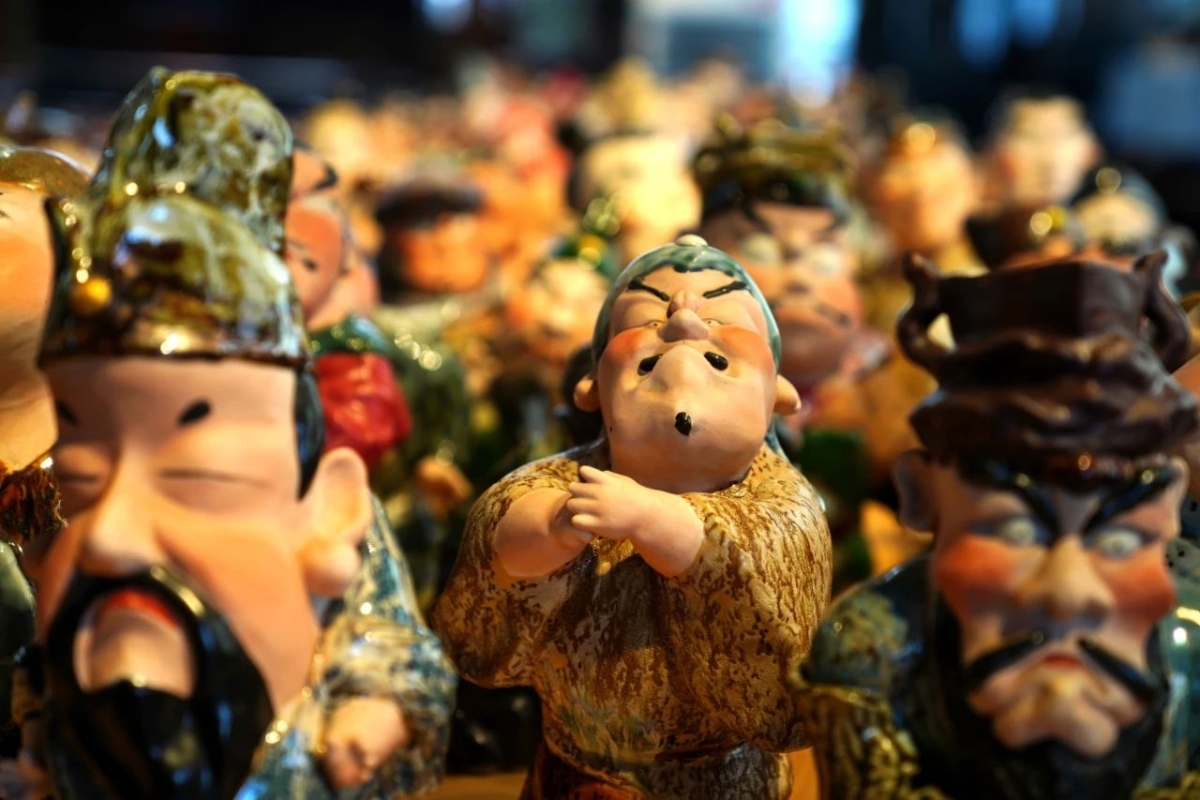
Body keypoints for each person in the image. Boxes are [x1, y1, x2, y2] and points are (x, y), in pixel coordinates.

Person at [16, 66, 456, 800]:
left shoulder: (301, 445)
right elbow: (46, 650)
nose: (113, 537)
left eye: (199, 470)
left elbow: (388, 637)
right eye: (83, 472)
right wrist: (40, 723)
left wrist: (375, 710)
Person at [432, 235, 831, 798]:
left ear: (778, 394)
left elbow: (778, 606)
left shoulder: (786, 503)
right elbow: (493, 555)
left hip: (720, 779)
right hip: (577, 771)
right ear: (594, 388)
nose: (685, 321)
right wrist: (550, 529)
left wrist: (666, 526)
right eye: (646, 317)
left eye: (722, 317)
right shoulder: (565, 483)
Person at [798, 250, 1200, 798]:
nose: (1069, 593)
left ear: (1171, 509)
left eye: (1120, 540)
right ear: (923, 497)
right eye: (1015, 533)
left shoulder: (1190, 652)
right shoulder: (876, 653)